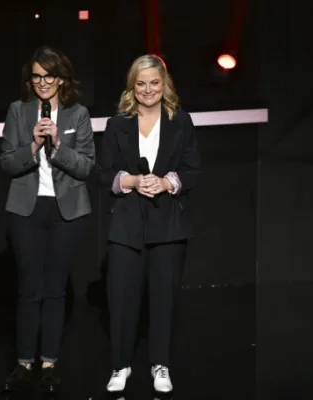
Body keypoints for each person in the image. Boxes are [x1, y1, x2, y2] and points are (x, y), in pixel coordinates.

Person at [97, 54, 201, 393]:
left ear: (164, 84)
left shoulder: (181, 121)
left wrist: (168, 182)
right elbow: (104, 173)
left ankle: (161, 365)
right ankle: (120, 365)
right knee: (122, 298)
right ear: (132, 86)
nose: (147, 90)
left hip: (168, 222)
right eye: (140, 84)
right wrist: (133, 181)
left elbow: (192, 170)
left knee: (163, 297)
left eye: (154, 83)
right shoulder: (117, 124)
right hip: (126, 223)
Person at [0, 45, 95, 393]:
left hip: (66, 212)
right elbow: (7, 162)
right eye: (36, 76)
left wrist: (56, 144)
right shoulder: (18, 111)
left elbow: (86, 166)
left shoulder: (77, 113)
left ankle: (50, 362)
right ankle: (24, 362)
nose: (42, 82)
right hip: (26, 210)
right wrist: (33, 147)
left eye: (48, 75)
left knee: (55, 291)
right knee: (29, 290)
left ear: (61, 78)